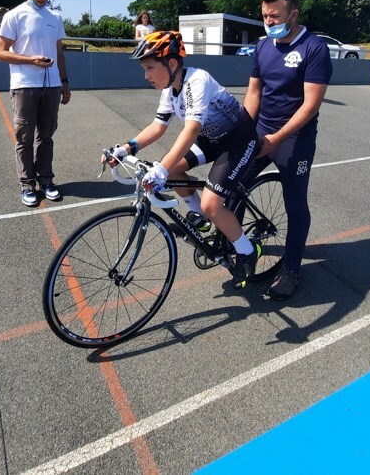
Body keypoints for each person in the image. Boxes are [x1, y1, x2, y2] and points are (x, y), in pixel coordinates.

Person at [103, 30, 261, 289]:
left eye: (150, 68)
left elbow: (192, 129)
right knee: (174, 170)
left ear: (172, 64)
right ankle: (203, 218)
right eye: (145, 69)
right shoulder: (171, 89)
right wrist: (127, 148)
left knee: (211, 203)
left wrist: (161, 169)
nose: (146, 76)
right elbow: (158, 126)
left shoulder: (198, 80)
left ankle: (247, 250)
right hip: (212, 139)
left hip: (238, 140)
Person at [242, 0, 332, 300]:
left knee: (295, 203)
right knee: (233, 185)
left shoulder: (314, 48)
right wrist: (244, 130)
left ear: (294, 14)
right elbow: (254, 92)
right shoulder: (262, 46)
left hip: (295, 138)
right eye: (265, 16)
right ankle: (241, 251)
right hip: (262, 130)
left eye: (275, 16)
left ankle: (291, 269)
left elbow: (311, 105)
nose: (269, 21)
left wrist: (277, 138)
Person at [0, 0, 71, 207]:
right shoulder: (14, 16)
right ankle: (27, 185)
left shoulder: (55, 17)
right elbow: (0, 53)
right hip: (24, 85)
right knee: (24, 138)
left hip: (52, 85)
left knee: (46, 136)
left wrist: (65, 82)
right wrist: (31, 60)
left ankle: (46, 181)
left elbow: (59, 52)